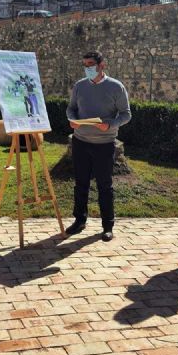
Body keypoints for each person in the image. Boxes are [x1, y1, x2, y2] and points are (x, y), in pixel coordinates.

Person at [65, 51, 131, 242]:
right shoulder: (79, 86)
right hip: (81, 142)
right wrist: (72, 120)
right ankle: (79, 221)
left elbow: (126, 114)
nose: (88, 68)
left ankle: (107, 226)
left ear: (102, 65)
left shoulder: (116, 87)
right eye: (85, 65)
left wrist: (110, 124)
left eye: (91, 64)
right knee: (81, 184)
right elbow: (71, 108)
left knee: (105, 186)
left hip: (104, 144)